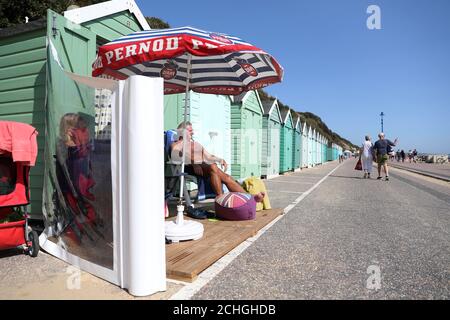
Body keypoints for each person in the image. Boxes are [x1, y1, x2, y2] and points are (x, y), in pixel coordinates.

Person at [170, 122, 265, 217]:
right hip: (190, 168)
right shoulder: (177, 144)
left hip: (205, 166)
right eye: (190, 130)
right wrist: (194, 162)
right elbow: (175, 153)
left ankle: (246, 199)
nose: (193, 132)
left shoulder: (195, 144)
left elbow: (208, 156)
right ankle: (240, 199)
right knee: (213, 167)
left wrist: (220, 159)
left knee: (223, 175)